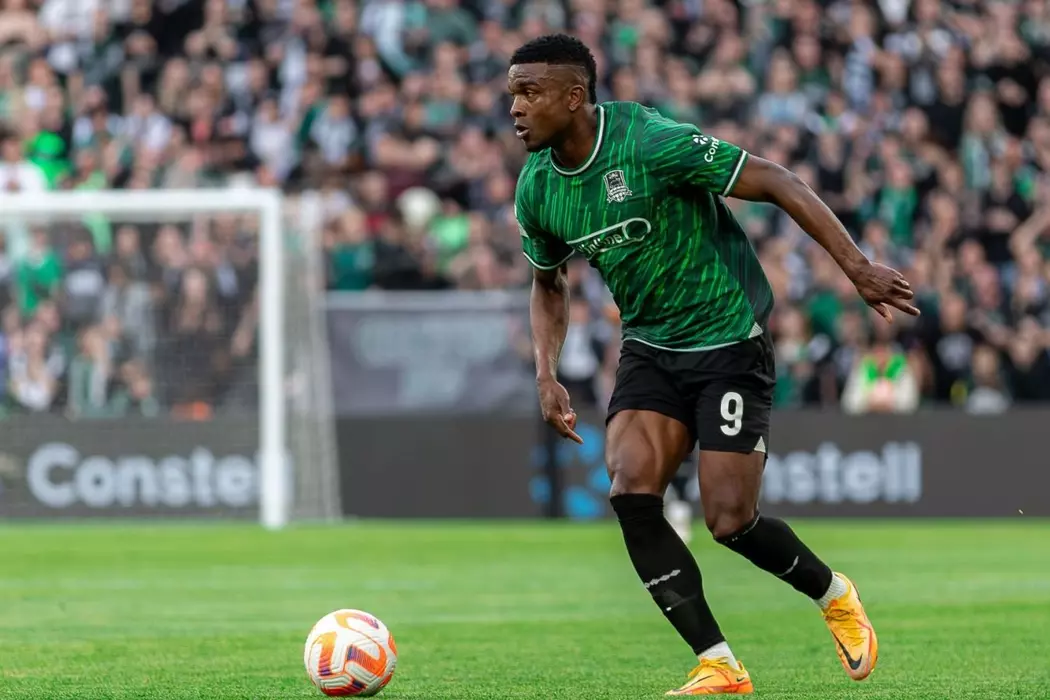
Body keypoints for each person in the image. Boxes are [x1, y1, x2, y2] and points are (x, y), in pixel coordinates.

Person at [509, 35, 919, 696]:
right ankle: (719, 662)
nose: (516, 108)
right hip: (650, 347)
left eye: (530, 92)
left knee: (729, 520)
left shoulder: (648, 141)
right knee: (630, 490)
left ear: (574, 96)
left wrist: (857, 267)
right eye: (513, 94)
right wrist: (545, 371)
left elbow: (777, 180)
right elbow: (547, 284)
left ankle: (833, 594)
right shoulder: (537, 188)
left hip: (728, 337)